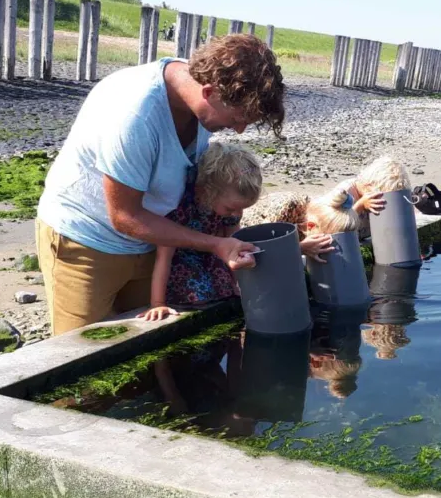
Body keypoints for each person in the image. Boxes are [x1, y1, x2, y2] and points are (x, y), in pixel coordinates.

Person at [35, 34, 285, 335]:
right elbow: (125, 217)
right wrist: (216, 244)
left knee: (144, 349)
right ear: (209, 92)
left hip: (150, 240)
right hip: (86, 241)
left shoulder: (196, 92)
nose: (240, 128)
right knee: (84, 358)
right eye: (238, 117)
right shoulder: (135, 117)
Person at [137, 142, 263, 322]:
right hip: (181, 260)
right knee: (200, 288)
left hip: (213, 255)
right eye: (231, 208)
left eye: (241, 209)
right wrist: (157, 303)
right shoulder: (179, 208)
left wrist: (238, 285)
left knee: (224, 288)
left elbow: (235, 245)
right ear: (209, 191)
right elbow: (163, 257)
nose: (236, 214)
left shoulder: (229, 208)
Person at [238, 188, 360, 263]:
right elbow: (264, 253)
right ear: (310, 226)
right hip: (238, 242)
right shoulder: (284, 211)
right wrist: (299, 248)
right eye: (326, 240)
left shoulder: (319, 212)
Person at [334, 155, 411, 239]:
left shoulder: (372, 190)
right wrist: (360, 205)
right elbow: (335, 227)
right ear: (368, 185)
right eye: (379, 196)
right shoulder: (345, 193)